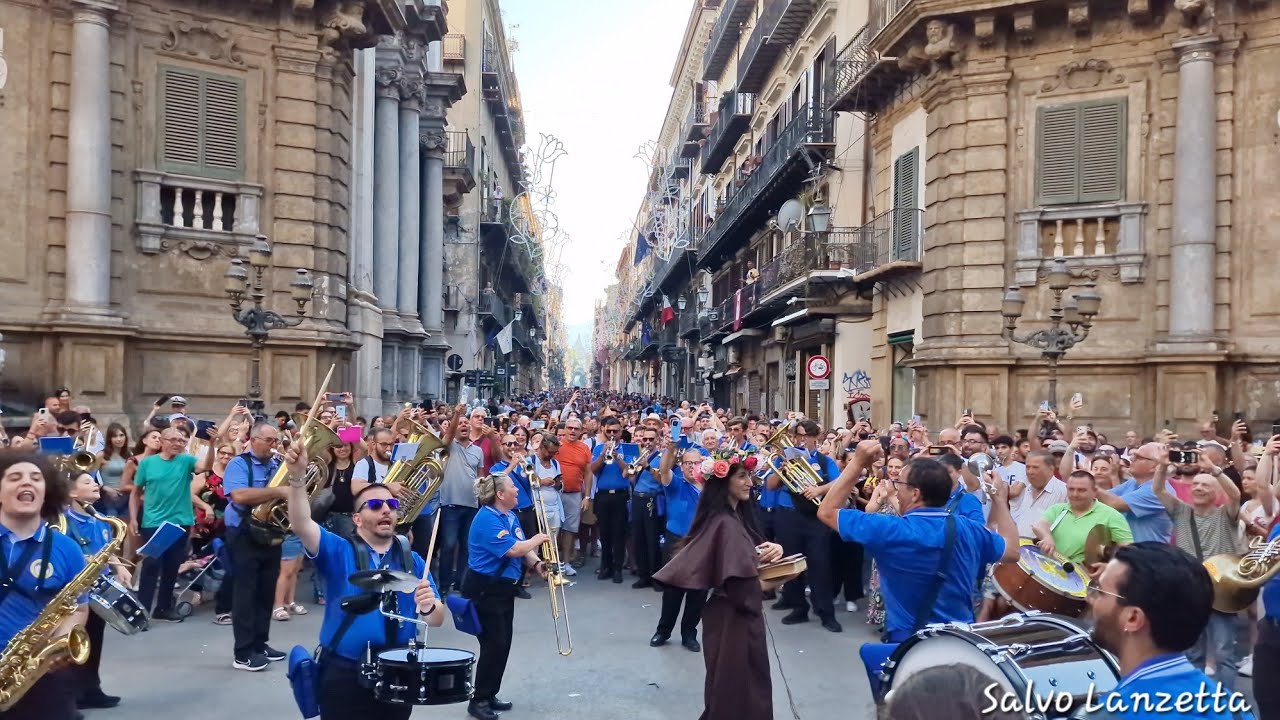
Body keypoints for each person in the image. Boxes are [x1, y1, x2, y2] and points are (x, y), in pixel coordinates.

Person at [282, 439, 442, 720]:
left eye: (391, 504)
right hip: (342, 671)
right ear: (357, 518)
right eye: (376, 505)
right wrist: (296, 478)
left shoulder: (413, 559)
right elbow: (300, 523)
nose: (386, 510)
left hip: (398, 669)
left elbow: (437, 618)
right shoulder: (338, 549)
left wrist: (430, 606)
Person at [652, 449, 785, 720]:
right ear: (724, 481)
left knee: (732, 688)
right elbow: (742, 587)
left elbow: (744, 559)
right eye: (742, 477)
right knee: (736, 692)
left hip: (727, 617)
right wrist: (780, 578)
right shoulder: (725, 523)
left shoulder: (732, 519)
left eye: (750, 476)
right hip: (734, 619)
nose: (750, 482)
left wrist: (772, 550)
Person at [1082, 542, 1253, 720]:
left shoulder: (1109, 714)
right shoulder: (1235, 710)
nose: (1090, 599)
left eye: (1099, 591)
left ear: (1133, 618)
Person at [0, 451, 87, 720]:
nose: (27, 483)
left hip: (41, 675)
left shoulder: (67, 548)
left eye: (36, 478)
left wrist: (60, 644)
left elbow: (78, 607)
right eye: (15, 477)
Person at [1150, 449, 1244, 690]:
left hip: (1221, 592)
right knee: (1192, 654)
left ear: (1216, 493)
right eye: (1197, 484)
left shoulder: (1226, 515)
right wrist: (1161, 466)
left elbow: (1235, 494)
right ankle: (1196, 702)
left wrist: (1214, 469)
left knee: (1224, 654)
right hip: (1190, 590)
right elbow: (1158, 490)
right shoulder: (1181, 511)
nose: (1199, 488)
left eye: (1206, 485)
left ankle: (1229, 706)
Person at [463, 473, 549, 720]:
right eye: (513, 487)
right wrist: (538, 538)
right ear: (500, 494)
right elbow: (513, 549)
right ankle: (478, 700)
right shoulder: (487, 519)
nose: (517, 491)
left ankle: (489, 694)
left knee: (503, 644)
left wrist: (538, 564)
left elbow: (523, 549)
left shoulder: (509, 516)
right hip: (486, 589)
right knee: (493, 645)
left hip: (503, 589)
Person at [221, 421, 288, 671]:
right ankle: (243, 652)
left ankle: (260, 644)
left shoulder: (277, 464)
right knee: (245, 594)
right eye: (270, 441)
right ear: (255, 440)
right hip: (243, 532)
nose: (274, 446)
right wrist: (278, 491)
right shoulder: (239, 464)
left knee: (266, 591)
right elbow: (239, 495)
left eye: (276, 441)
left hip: (271, 531)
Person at [62, 471, 130, 711]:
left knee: (95, 641)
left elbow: (108, 549)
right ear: (72, 492)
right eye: (87, 482)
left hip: (99, 589)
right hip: (77, 593)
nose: (96, 485)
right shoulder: (63, 522)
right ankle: (71, 694)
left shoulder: (99, 519)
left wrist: (120, 568)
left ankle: (92, 688)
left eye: (95, 481)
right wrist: (84, 559)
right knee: (75, 644)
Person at [129, 427, 197, 623]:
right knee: (151, 564)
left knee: (172, 565)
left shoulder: (186, 460)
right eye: (173, 439)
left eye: (181, 440)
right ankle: (141, 612)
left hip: (181, 521)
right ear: (163, 441)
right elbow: (135, 492)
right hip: (153, 521)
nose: (177, 443)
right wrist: (134, 518)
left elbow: (205, 466)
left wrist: (210, 445)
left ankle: (164, 607)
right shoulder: (148, 463)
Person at [651, 445, 706, 651]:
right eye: (688, 463)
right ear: (681, 466)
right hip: (677, 541)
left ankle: (689, 634)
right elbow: (664, 470)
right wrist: (671, 450)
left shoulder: (711, 487)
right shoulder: (675, 483)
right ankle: (663, 631)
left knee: (698, 591)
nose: (692, 467)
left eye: (696, 463)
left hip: (702, 542)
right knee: (673, 590)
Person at [1031, 470, 1133, 566]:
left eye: (1081, 490)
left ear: (1094, 491)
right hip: (1049, 570)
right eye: (1071, 489)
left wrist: (1107, 564)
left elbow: (1129, 551)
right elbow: (1040, 525)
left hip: (1083, 577)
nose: (1075, 494)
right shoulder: (1058, 509)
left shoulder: (1112, 516)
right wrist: (1047, 537)